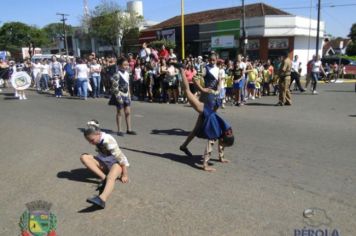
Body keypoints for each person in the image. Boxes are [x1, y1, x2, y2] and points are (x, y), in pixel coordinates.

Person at [177, 63, 234, 171]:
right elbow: (209, 147)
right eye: (223, 144)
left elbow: (222, 145)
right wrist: (205, 165)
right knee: (187, 91)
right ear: (223, 139)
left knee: (195, 131)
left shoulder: (227, 132)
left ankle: (183, 146)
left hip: (209, 113)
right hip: (205, 110)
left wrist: (221, 157)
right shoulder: (218, 133)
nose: (221, 146)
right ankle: (181, 69)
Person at [81, 120, 129, 209]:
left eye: (92, 140)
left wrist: (124, 174)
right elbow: (93, 124)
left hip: (117, 164)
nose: (91, 143)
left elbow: (121, 158)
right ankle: (104, 178)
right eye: (89, 141)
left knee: (111, 177)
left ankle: (102, 199)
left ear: (98, 134)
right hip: (105, 163)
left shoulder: (108, 140)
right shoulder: (97, 137)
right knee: (84, 157)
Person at [108, 57, 137, 136]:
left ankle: (129, 129)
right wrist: (118, 97)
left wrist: (129, 94)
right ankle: (119, 130)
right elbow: (114, 87)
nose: (126, 66)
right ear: (120, 65)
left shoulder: (127, 74)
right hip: (119, 95)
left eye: (127, 64)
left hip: (126, 94)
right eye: (124, 65)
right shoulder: (116, 74)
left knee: (128, 112)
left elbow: (127, 85)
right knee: (119, 113)